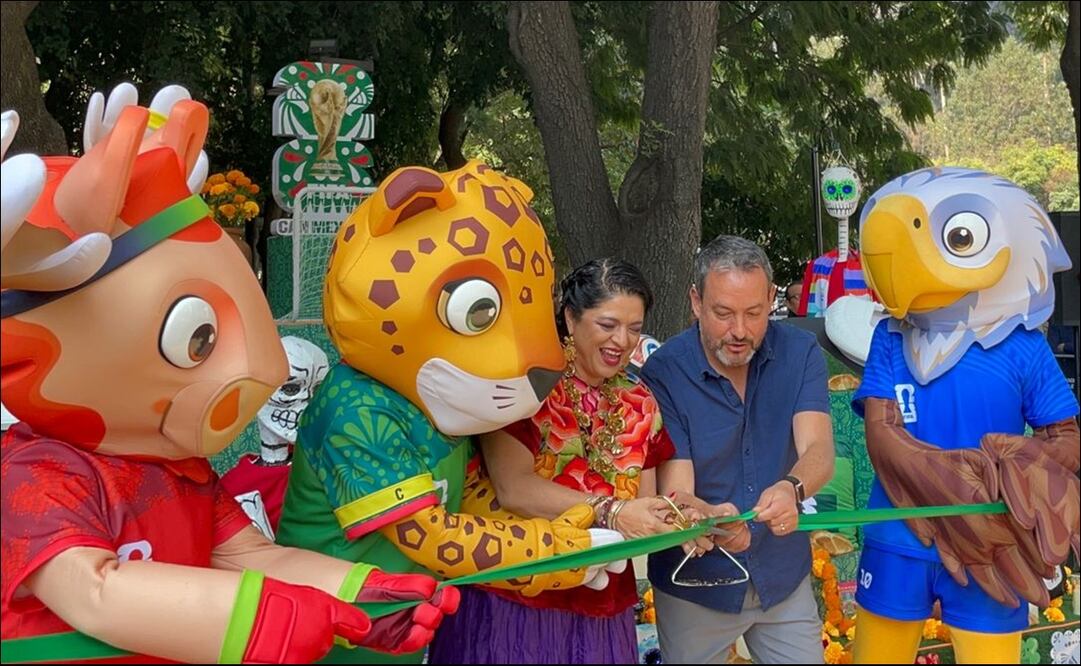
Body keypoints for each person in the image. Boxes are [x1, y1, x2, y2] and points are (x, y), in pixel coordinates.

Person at [429, 258, 740, 664]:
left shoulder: (639, 401)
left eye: (634, 328)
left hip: (601, 601)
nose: (622, 341)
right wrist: (613, 512)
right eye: (608, 325)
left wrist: (699, 518)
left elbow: (646, 504)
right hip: (516, 592)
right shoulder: (526, 387)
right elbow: (514, 488)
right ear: (571, 318)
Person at [641, 235, 835, 664]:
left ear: (770, 298)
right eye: (723, 314)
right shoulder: (665, 371)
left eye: (754, 313)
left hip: (782, 574)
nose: (740, 331)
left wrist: (792, 488)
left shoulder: (799, 351)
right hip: (696, 585)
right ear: (696, 301)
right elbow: (678, 491)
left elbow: (819, 448)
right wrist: (706, 520)